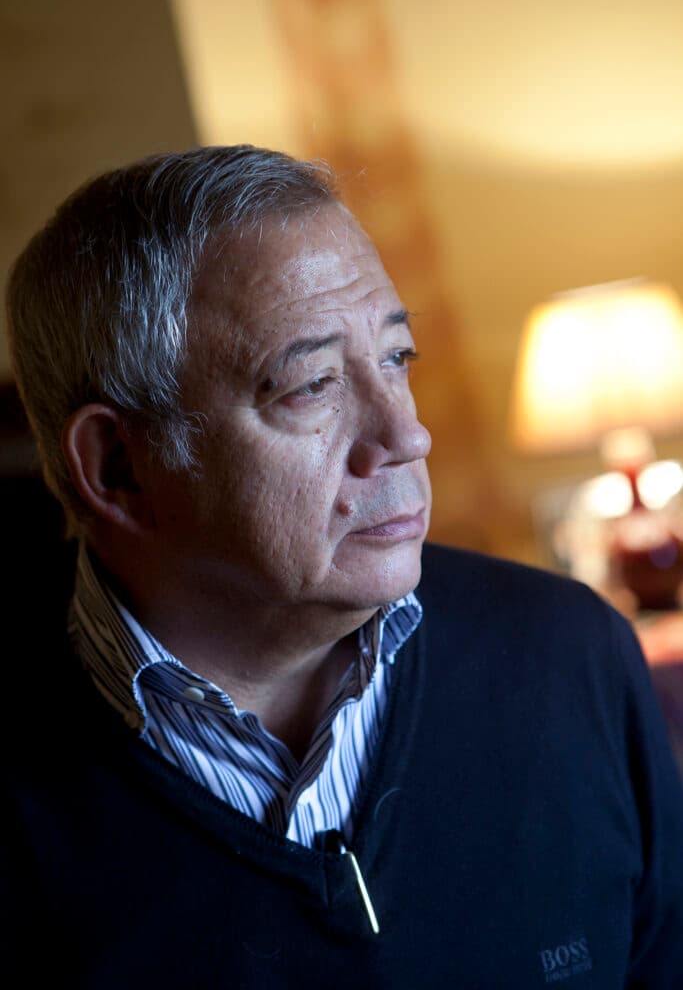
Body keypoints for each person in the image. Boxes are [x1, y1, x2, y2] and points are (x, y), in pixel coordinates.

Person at [3, 144, 682, 989]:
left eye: (396, 358)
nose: (407, 435)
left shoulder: (570, 652)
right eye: (311, 385)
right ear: (118, 467)